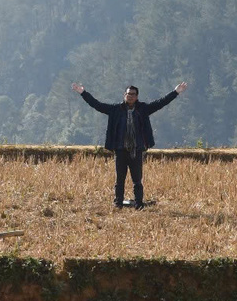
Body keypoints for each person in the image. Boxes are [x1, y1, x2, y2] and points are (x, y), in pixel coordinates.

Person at [72, 80, 186, 208]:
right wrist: (83, 92)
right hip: (120, 149)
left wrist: (176, 92)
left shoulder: (143, 109)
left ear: (137, 96)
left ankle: (139, 204)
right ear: (124, 95)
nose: (130, 96)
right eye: (128, 94)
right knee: (119, 179)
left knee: (137, 180)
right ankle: (118, 203)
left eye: (133, 94)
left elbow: (161, 103)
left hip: (136, 150)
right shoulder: (115, 110)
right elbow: (97, 105)